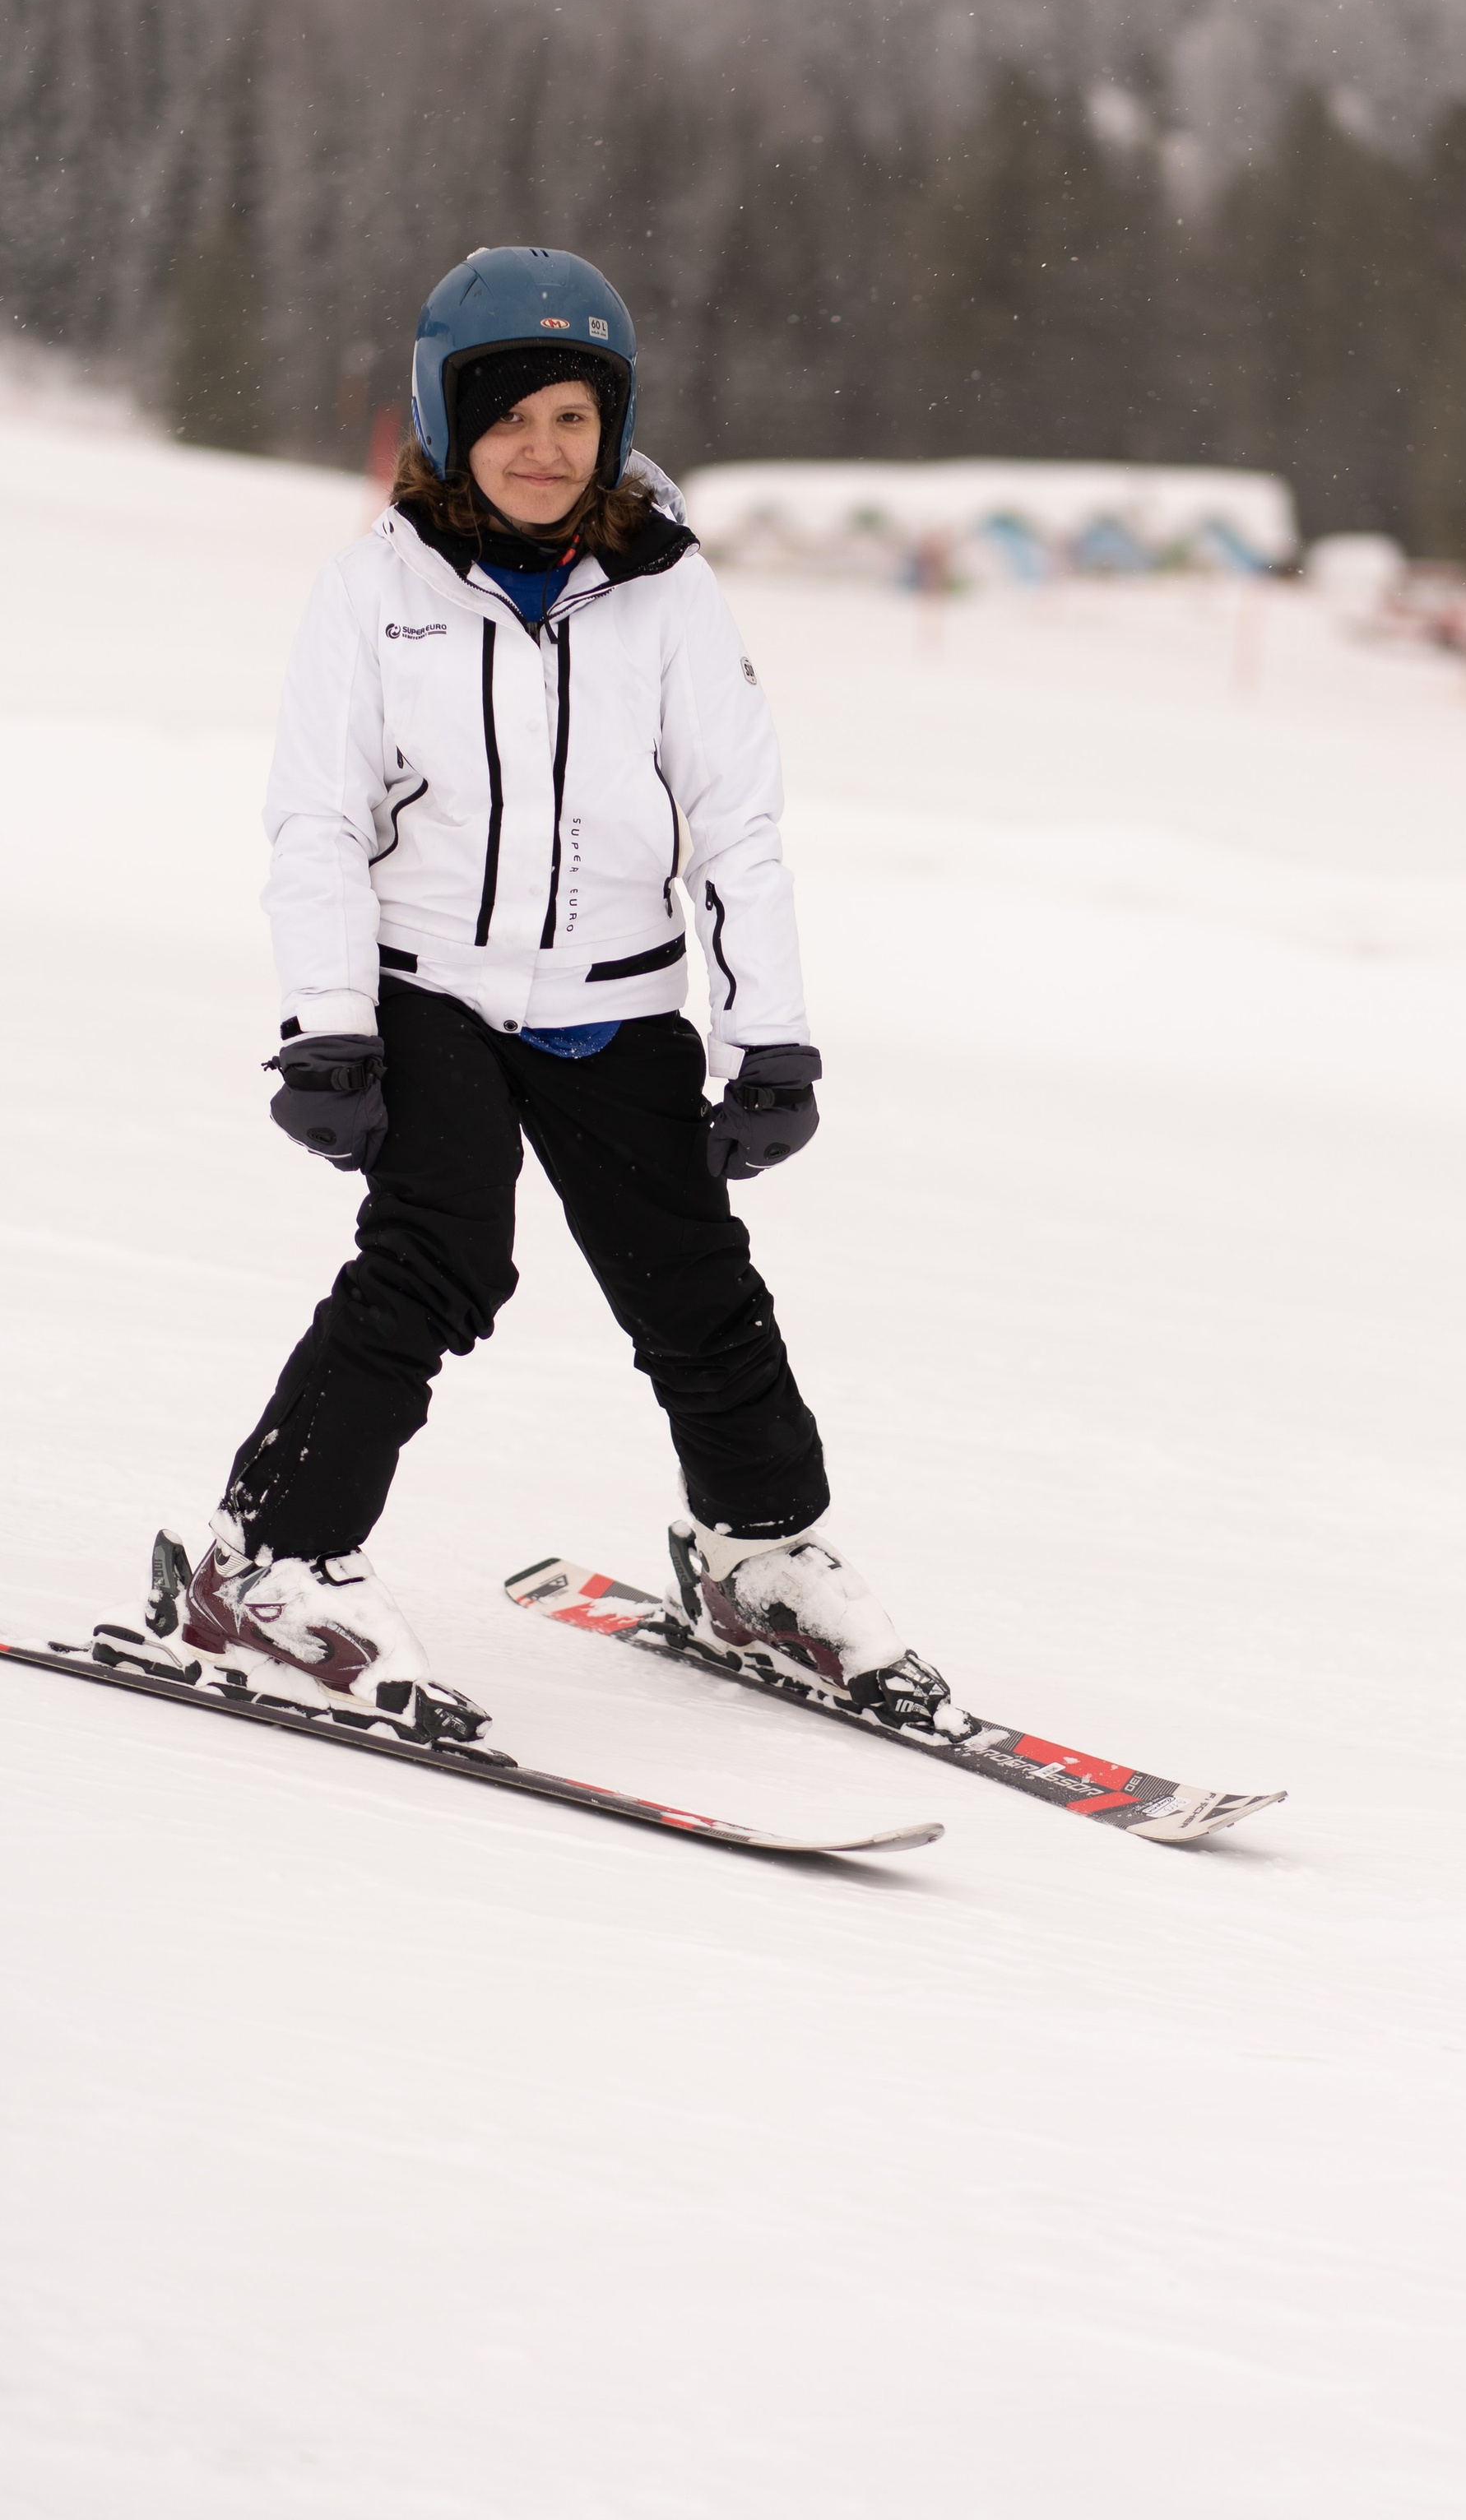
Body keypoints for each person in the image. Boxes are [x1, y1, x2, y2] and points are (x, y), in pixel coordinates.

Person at [175, 245, 951, 1747]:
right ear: (445, 418)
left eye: (574, 420)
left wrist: (768, 1038)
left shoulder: (668, 593)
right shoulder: (376, 591)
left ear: (615, 428)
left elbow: (735, 820)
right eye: (509, 416)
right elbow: (321, 822)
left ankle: (761, 1555)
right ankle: (268, 1562)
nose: (542, 449)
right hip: (429, 990)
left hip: (618, 997)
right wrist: (328, 1024)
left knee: (695, 1284)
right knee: (436, 1259)